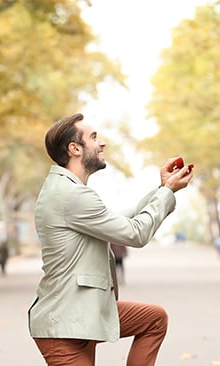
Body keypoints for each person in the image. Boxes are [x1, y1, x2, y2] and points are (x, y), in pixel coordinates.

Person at [28, 112, 193, 366]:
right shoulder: (71, 195)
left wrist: (162, 189)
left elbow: (121, 221)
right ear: (75, 149)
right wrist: (168, 192)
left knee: (154, 319)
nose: (101, 143)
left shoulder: (70, 191)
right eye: (93, 137)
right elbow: (135, 234)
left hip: (85, 313)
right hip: (63, 324)